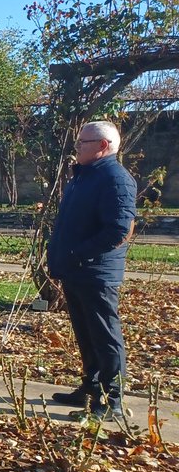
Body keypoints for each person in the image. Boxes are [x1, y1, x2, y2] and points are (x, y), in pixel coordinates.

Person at [47, 120, 136, 419]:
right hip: (76, 270)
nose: (76, 148)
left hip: (95, 273)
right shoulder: (85, 176)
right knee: (86, 334)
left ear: (102, 146)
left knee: (104, 336)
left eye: (81, 143)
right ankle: (91, 388)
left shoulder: (115, 178)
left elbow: (118, 230)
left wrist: (78, 254)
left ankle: (112, 401)